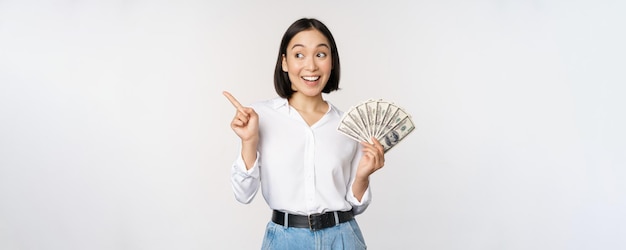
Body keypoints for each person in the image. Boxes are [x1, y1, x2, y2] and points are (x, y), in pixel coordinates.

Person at [223, 17, 385, 250]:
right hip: (285, 241)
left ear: (332, 62)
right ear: (285, 62)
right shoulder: (260, 116)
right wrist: (249, 141)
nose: (311, 66)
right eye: (299, 55)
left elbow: (356, 206)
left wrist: (362, 176)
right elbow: (243, 195)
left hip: (343, 239)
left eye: (320, 54)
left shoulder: (348, 125)